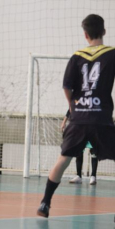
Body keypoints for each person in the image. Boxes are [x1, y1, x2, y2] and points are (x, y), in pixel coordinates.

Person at [37, 14, 115, 218]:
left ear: (85, 34)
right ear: (104, 31)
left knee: (63, 160)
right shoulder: (112, 54)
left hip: (79, 118)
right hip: (103, 119)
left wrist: (73, 106)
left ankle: (45, 203)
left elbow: (67, 87)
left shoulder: (77, 56)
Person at [61, 110, 98, 185]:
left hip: (93, 129)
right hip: (80, 130)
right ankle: (78, 176)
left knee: (94, 152)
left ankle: (93, 176)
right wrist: (63, 122)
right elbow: (70, 110)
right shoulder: (77, 100)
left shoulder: (94, 101)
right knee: (79, 152)